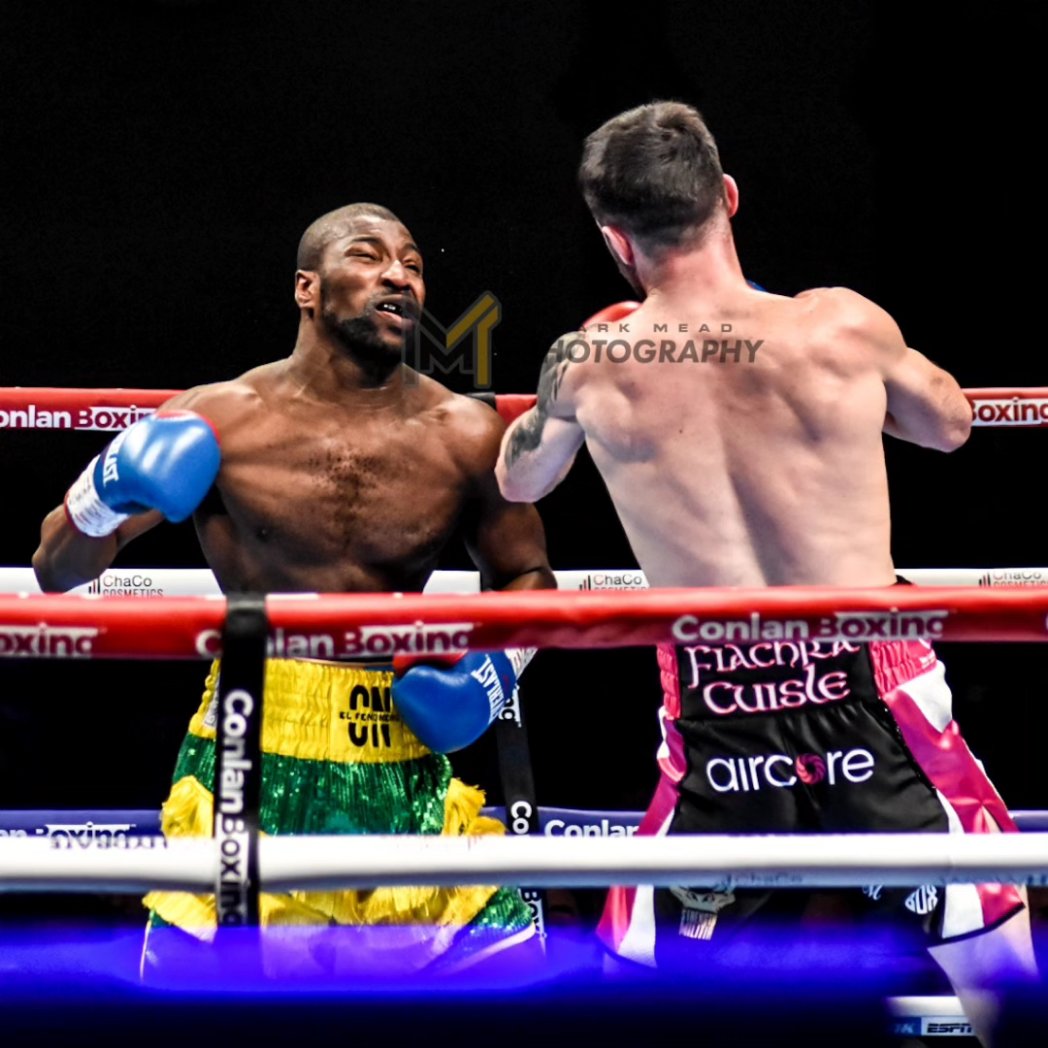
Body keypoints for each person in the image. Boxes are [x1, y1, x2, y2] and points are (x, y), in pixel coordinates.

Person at [494, 102, 1039, 1043]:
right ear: (729, 196)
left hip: (719, 701)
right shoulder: (839, 327)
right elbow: (950, 426)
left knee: (634, 985)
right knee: (996, 965)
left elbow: (518, 478)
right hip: (874, 689)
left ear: (615, 239)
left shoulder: (587, 365)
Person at [33, 202, 555, 979]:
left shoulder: (466, 434)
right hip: (250, 742)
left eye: (413, 264)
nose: (399, 276)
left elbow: (527, 575)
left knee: (515, 996)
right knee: (205, 1013)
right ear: (307, 288)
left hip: (402, 746)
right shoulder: (218, 420)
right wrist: (103, 491)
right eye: (368, 256)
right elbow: (55, 569)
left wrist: (490, 675)